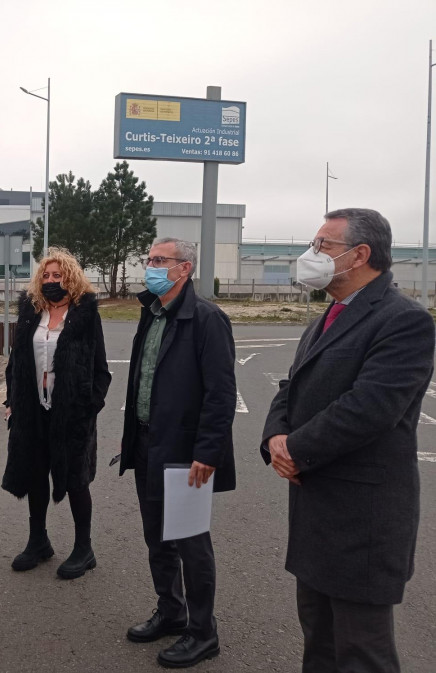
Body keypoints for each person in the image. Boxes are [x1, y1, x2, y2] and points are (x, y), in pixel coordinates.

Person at [261, 208, 434, 673]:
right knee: (319, 642)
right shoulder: (328, 316)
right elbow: (291, 386)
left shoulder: (404, 321)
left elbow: (369, 408)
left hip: (364, 520)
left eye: (322, 246)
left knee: (362, 653)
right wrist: (276, 436)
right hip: (317, 511)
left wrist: (295, 449)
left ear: (360, 255)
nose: (310, 255)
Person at [118, 237, 236, 669]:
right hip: (149, 442)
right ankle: (171, 611)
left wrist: (208, 452)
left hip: (187, 453)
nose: (150, 266)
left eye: (159, 260)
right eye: (148, 259)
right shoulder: (151, 313)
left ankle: (203, 632)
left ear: (184, 269)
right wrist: (132, 436)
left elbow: (221, 394)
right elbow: (144, 382)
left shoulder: (206, 318)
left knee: (190, 543)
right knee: (158, 539)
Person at [1, 247, 111, 580]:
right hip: (33, 410)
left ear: (71, 277)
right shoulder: (32, 311)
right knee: (35, 474)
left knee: (75, 478)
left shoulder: (85, 314)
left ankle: (84, 547)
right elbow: (16, 362)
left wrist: (88, 408)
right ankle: (39, 541)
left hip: (71, 412)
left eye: (57, 275)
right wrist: (12, 402)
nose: (51, 281)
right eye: (46, 276)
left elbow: (100, 370)